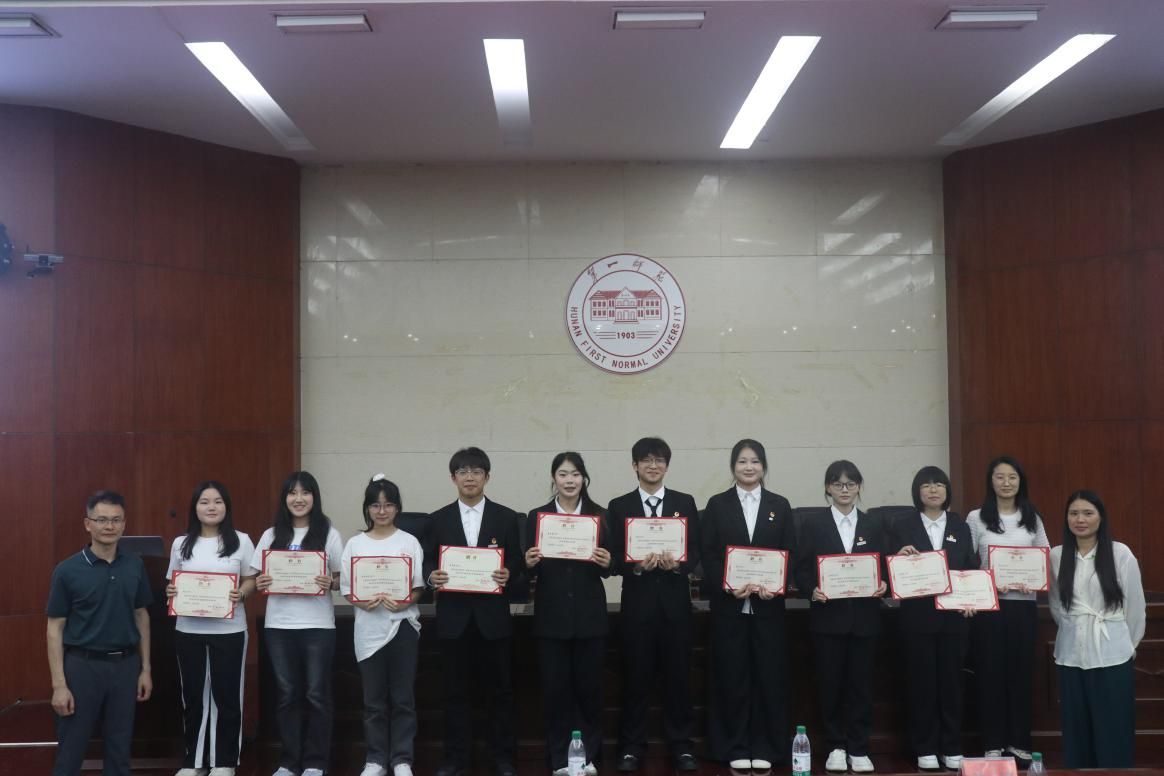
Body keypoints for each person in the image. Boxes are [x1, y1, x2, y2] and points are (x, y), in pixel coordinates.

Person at [422, 447, 524, 776]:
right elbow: (426, 560)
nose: (470, 477)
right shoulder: (437, 519)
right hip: (453, 620)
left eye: (476, 471)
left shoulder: (506, 517)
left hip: (493, 619)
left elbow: (518, 560)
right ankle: (455, 759)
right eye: (463, 472)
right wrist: (431, 576)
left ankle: (503, 759)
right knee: (454, 693)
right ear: (453, 478)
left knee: (500, 692)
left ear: (487, 477)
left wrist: (509, 572)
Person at [700, 439, 797, 771]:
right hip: (730, 608)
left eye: (755, 461)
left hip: (768, 609)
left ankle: (767, 746)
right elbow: (708, 554)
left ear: (764, 466)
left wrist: (777, 586)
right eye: (742, 461)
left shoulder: (779, 505)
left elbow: (790, 552)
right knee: (731, 677)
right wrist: (728, 585)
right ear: (733, 467)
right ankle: (734, 745)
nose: (749, 467)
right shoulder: (717, 504)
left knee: (769, 677)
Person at [607, 437, 701, 773]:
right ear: (634, 466)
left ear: (667, 466)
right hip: (637, 608)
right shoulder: (619, 506)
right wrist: (634, 566)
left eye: (659, 460)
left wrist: (679, 565)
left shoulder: (684, 502)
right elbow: (613, 557)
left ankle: (682, 747)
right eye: (646, 460)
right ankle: (631, 748)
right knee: (635, 679)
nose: (653, 466)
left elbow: (696, 551)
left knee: (679, 680)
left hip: (676, 609)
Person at [46, 490, 153, 776]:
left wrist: (145, 669)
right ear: (88, 524)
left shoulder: (135, 565)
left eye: (116, 520)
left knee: (119, 751)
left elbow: (141, 616)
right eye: (102, 520)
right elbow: (55, 628)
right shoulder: (67, 570)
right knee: (71, 751)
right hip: (82, 668)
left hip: (125, 666)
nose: (109, 526)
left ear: (124, 524)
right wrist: (59, 685)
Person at [793, 460, 887, 774]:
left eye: (850, 483)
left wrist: (884, 583)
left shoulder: (873, 524)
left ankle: (859, 747)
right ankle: (835, 745)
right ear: (828, 488)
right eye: (837, 484)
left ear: (859, 487)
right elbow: (801, 568)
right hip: (827, 619)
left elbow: (885, 566)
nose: (844, 489)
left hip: (865, 620)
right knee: (830, 685)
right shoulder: (813, 524)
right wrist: (811, 590)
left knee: (861, 686)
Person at [524, 452, 612, 776]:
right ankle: (561, 759)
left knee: (590, 691)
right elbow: (526, 569)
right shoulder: (537, 517)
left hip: (590, 617)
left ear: (584, 478)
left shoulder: (600, 515)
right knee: (555, 692)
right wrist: (528, 563)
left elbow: (612, 566)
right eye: (563, 474)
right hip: (552, 618)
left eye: (575, 474)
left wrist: (608, 562)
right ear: (554, 478)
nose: (570, 480)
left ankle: (588, 757)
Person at [251, 471, 344, 776]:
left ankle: (316, 762)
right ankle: (289, 762)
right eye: (293, 493)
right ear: (285, 498)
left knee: (317, 694)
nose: (299, 499)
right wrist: (261, 582)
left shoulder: (329, 533)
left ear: (315, 497)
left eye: (305, 492)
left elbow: (342, 578)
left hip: (318, 625)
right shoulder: (270, 535)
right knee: (287, 694)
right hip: (279, 626)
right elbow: (257, 577)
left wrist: (331, 582)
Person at [165, 481, 256, 776]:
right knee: (192, 695)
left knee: (226, 696)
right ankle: (194, 762)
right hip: (188, 629)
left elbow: (251, 580)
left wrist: (241, 593)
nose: (211, 507)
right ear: (195, 507)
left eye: (217, 501)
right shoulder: (181, 543)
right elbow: (172, 582)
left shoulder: (241, 541)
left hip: (229, 630)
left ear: (226, 506)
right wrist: (170, 591)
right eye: (204, 502)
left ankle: (224, 762)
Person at [889, 466, 976, 772]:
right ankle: (924, 746)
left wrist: (971, 600)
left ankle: (951, 745)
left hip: (954, 619)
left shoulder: (960, 525)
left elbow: (970, 567)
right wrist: (898, 557)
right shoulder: (902, 525)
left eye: (939, 484)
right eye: (926, 485)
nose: (933, 489)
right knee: (921, 683)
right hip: (917, 617)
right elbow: (889, 570)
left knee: (952, 684)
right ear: (918, 492)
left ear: (947, 490)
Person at [1049, 490, 1145, 768]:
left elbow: (1135, 607)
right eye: (1074, 513)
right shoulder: (1057, 555)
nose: (1080, 520)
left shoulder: (1120, 553)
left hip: (1112, 655)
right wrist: (1074, 628)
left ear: (1101, 517)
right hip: (1070, 655)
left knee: (1113, 729)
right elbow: (1056, 605)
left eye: (1088, 513)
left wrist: (1128, 645)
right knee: (1076, 729)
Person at [964, 456, 1049, 761]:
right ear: (991, 481)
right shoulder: (976, 517)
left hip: (1023, 607)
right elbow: (966, 561)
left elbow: (1044, 555)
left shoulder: (1032, 517)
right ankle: (993, 742)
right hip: (990, 607)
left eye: (1012, 477)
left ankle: (1019, 742)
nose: (1006, 483)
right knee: (990, 674)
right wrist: (986, 582)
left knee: (1020, 674)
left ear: (1020, 481)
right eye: (999, 477)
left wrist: (1033, 579)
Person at [340, 475, 426, 776]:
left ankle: (402, 759)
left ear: (397, 508)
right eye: (375, 505)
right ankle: (375, 759)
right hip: (368, 629)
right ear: (367, 508)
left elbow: (418, 587)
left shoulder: (409, 541)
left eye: (388, 505)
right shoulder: (355, 543)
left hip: (403, 626)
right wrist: (360, 600)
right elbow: (347, 588)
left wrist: (405, 602)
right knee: (373, 700)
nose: (382, 511)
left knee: (403, 699)